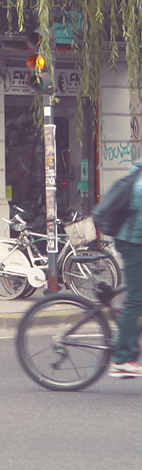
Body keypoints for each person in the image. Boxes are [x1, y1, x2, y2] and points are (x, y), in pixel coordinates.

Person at [109, 158, 142, 377]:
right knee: (136, 298)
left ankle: (129, 328)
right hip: (132, 242)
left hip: (134, 239)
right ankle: (122, 359)